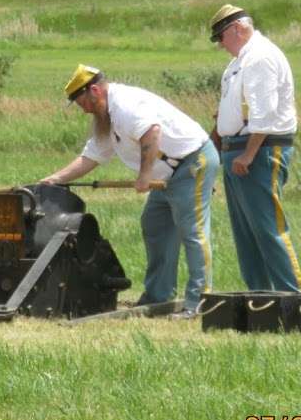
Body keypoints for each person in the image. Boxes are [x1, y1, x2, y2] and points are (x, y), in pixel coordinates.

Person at [42, 65, 219, 319]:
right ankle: (158, 296)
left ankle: (200, 301)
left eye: (82, 101)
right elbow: (92, 156)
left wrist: (144, 175)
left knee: (192, 231)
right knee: (154, 225)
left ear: (94, 90)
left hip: (191, 163)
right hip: (166, 173)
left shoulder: (124, 105)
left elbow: (151, 132)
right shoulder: (106, 118)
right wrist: (56, 179)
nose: (83, 109)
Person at [209, 4, 301, 293]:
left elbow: (264, 112)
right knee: (246, 232)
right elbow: (227, 112)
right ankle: (260, 295)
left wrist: (249, 154)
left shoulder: (261, 57)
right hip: (235, 149)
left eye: (222, 38)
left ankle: (294, 295)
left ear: (237, 28)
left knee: (267, 227)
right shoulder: (239, 62)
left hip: (260, 150)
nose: (221, 46)